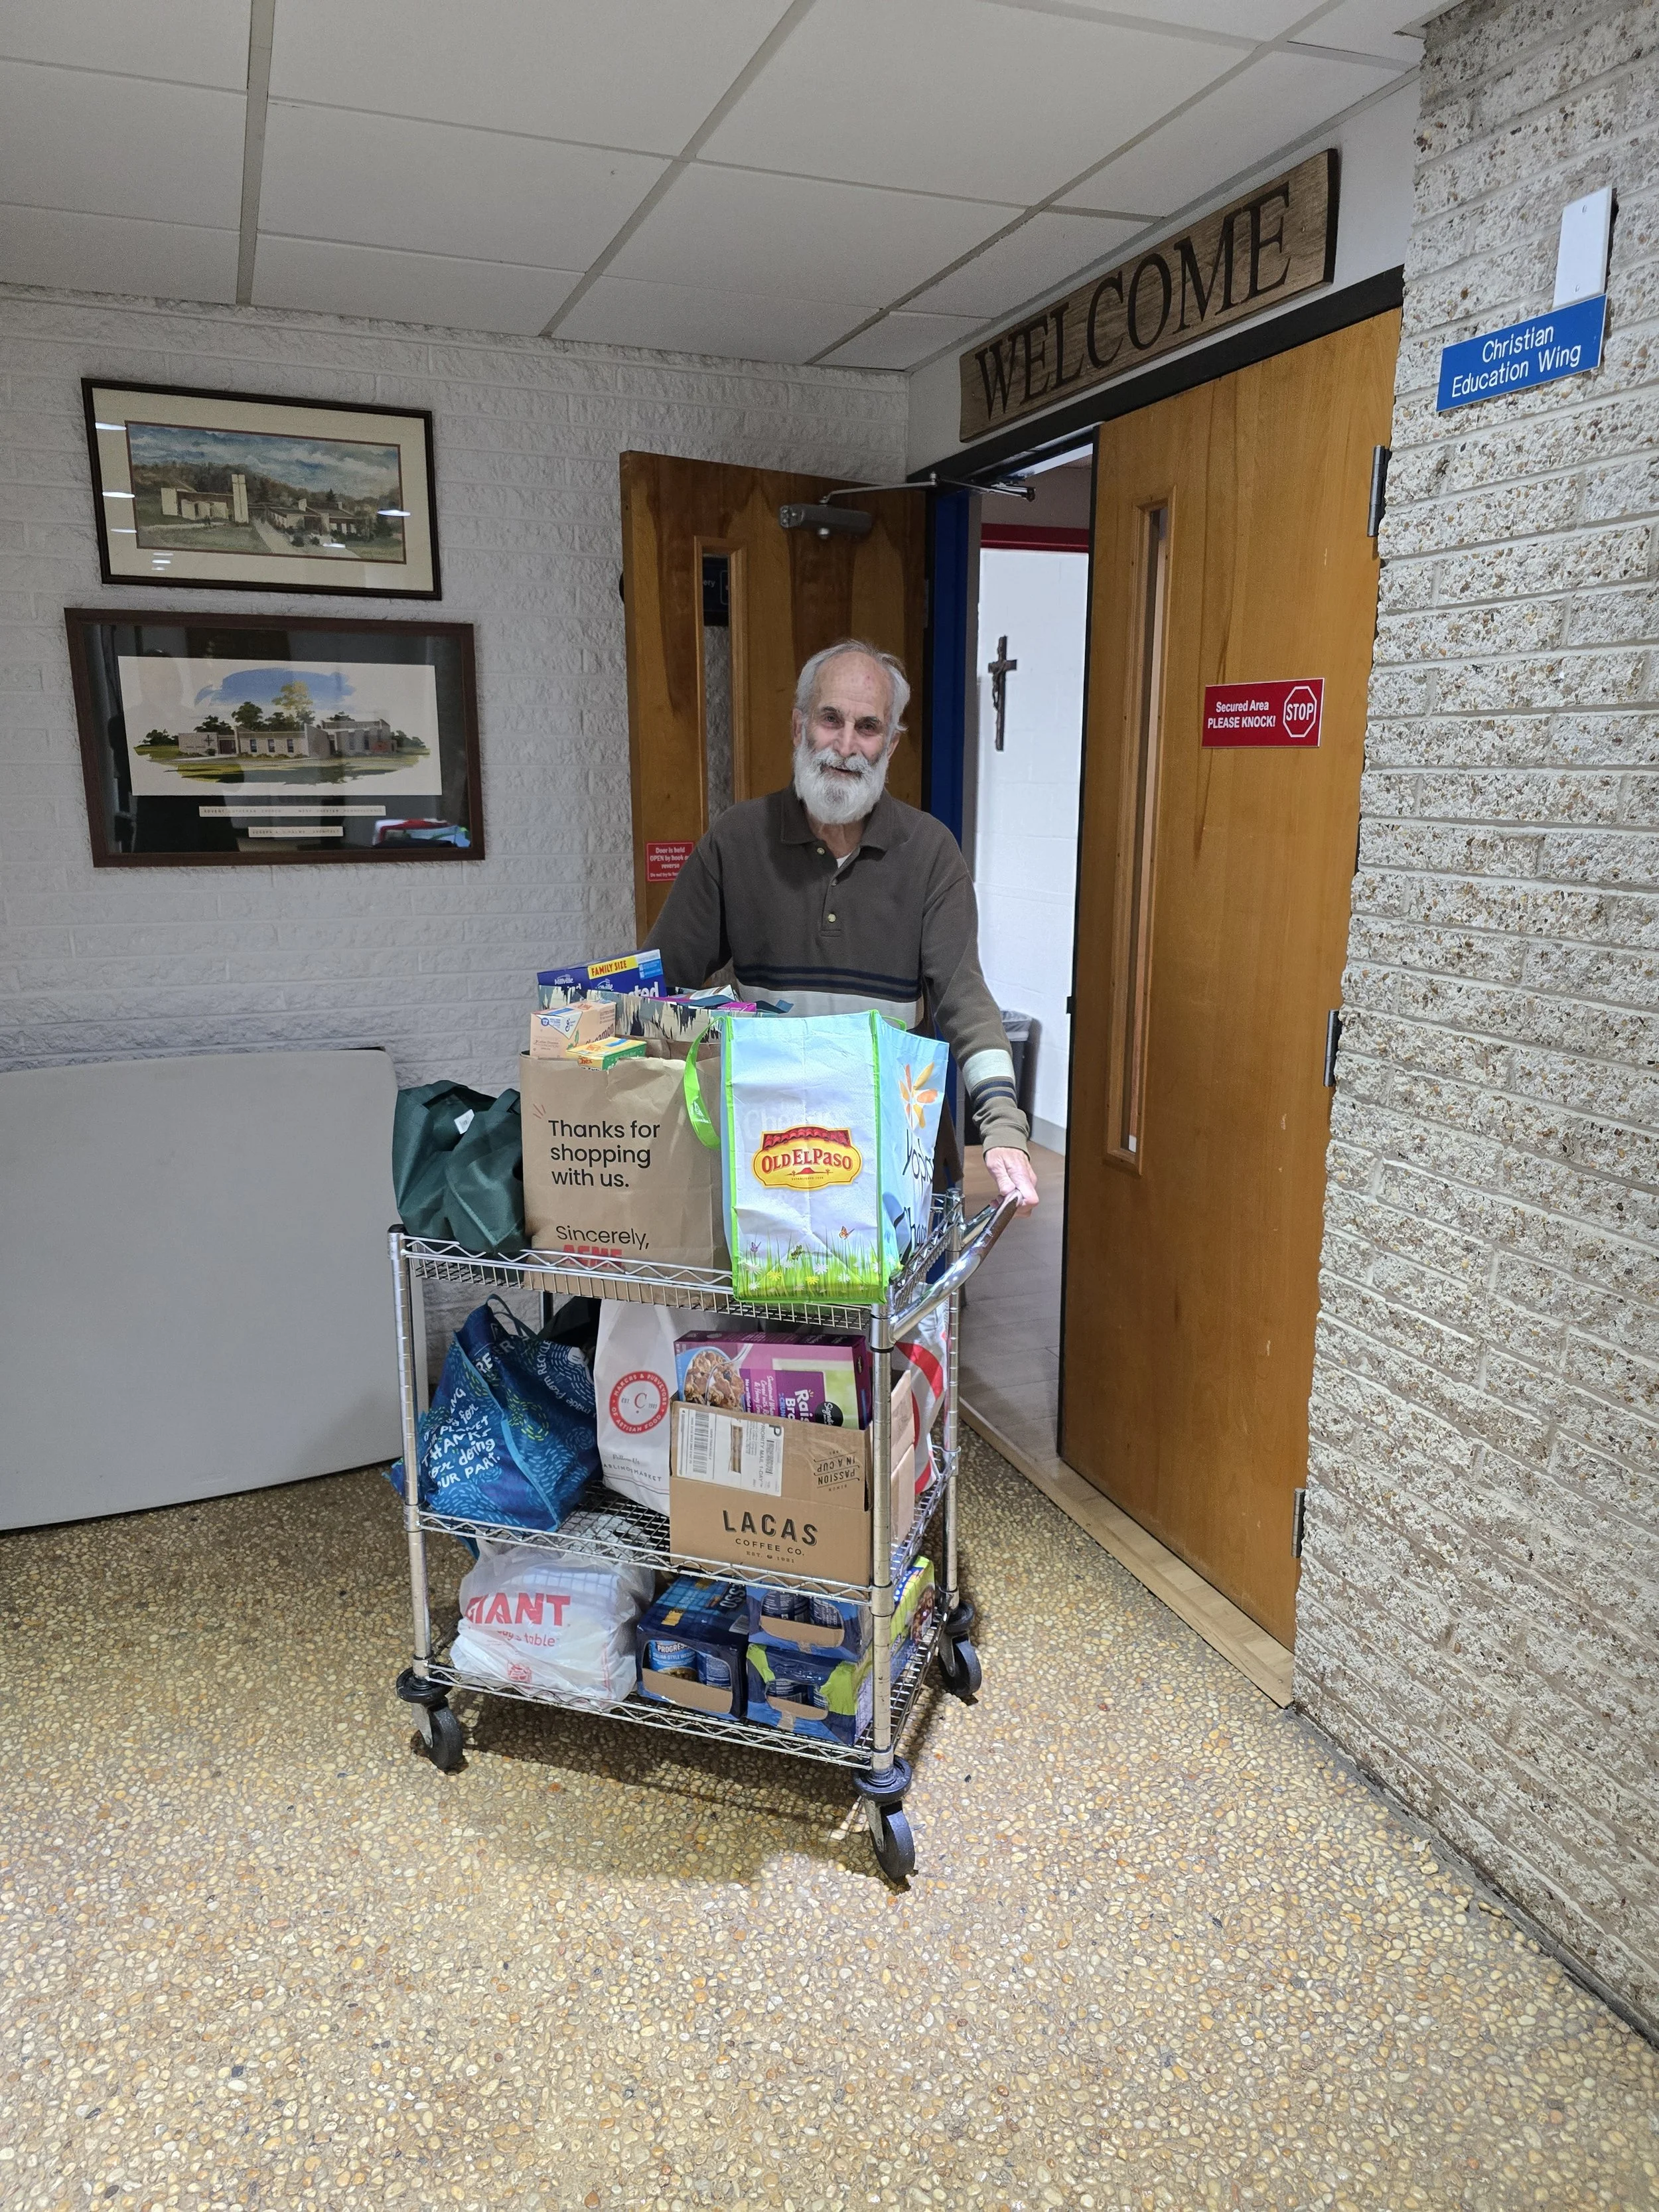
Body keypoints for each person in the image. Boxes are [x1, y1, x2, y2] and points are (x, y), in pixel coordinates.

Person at [647, 637, 1039, 1211]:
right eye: (831, 719)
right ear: (799, 725)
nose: (846, 746)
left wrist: (1004, 1127)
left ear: (892, 744)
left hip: (891, 1166)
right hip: (763, 1160)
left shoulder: (931, 853)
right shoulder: (736, 842)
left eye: (868, 726)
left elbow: (966, 1001)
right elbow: (658, 981)